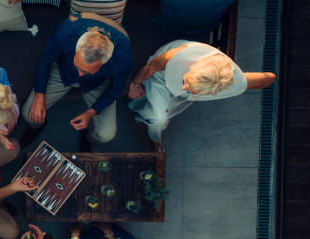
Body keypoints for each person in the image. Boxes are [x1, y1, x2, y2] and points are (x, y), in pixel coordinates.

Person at [128, 39, 277, 143]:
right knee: (159, 117)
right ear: (193, 67)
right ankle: (147, 121)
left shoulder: (234, 83)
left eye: (194, 90)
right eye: (186, 81)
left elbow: (270, 78)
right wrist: (136, 83)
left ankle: (150, 127)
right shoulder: (177, 57)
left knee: (161, 115)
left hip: (181, 86)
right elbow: (151, 68)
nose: (184, 88)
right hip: (161, 77)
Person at [22, 12, 132, 144]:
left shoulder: (123, 55)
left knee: (106, 135)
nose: (79, 75)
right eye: (78, 65)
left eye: (87, 71)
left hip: (96, 83)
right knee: (29, 114)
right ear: (77, 47)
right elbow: (45, 60)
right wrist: (39, 96)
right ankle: (38, 127)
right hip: (63, 72)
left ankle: (88, 139)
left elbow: (116, 88)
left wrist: (91, 112)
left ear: (105, 61)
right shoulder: (66, 30)